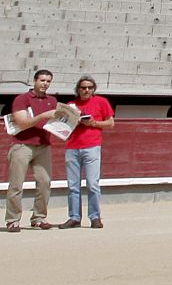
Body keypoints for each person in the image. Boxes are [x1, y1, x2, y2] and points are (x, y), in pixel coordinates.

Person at [7, 68, 67, 231]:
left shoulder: (52, 100)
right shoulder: (22, 99)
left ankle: (39, 218)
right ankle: (13, 220)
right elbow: (22, 123)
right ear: (35, 81)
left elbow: (56, 123)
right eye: (42, 80)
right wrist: (42, 116)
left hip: (43, 145)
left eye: (48, 81)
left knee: (44, 182)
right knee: (16, 184)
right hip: (22, 145)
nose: (45, 84)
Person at [62, 75, 115, 230]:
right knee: (73, 185)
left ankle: (95, 217)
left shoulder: (101, 102)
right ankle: (74, 217)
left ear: (93, 89)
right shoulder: (71, 105)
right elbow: (63, 126)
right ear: (78, 89)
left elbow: (110, 123)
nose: (86, 90)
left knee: (92, 184)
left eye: (89, 88)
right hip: (72, 147)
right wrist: (75, 121)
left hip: (92, 146)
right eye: (83, 87)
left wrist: (93, 123)